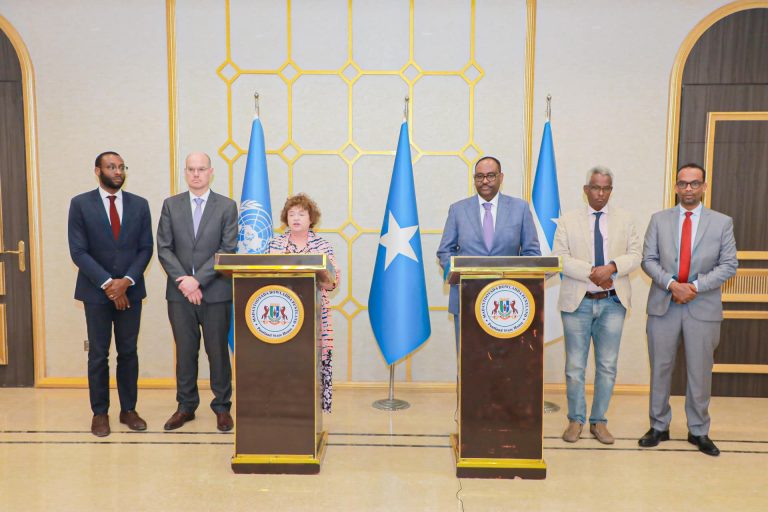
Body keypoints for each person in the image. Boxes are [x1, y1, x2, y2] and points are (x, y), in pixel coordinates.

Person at [639, 163, 737, 456]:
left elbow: (729, 264)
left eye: (695, 183)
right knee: (660, 369)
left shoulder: (722, 223)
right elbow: (648, 259)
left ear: (704, 186)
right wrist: (672, 284)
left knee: (699, 371)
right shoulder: (659, 220)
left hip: (702, 305)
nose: (689, 189)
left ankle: (699, 430)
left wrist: (694, 286)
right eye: (683, 183)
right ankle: (658, 426)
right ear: (676, 187)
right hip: (664, 305)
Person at [552, 166, 641, 444]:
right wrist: (595, 272)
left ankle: (599, 421)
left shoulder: (626, 220)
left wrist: (612, 268)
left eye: (606, 188)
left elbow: (636, 255)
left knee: (607, 366)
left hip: (612, 303)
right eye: (595, 188)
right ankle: (575, 420)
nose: (600, 193)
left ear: (611, 191)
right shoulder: (567, 221)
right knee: (575, 367)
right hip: (577, 303)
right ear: (586, 190)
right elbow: (560, 258)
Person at [68, 151, 153, 437]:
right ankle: (100, 413)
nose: (117, 171)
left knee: (128, 352)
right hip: (96, 294)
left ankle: (128, 409)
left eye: (121, 167)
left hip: (131, 290)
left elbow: (145, 249)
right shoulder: (80, 204)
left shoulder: (140, 205)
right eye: (111, 167)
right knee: (99, 355)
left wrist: (125, 281)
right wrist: (109, 284)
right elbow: (78, 251)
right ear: (97, 171)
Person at [157, 152, 238, 432]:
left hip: (215, 292)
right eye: (191, 169)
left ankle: (222, 407)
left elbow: (227, 250)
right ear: (185, 172)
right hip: (179, 295)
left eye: (201, 169)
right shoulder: (171, 205)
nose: (195, 174)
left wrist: (198, 281)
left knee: (217, 352)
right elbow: (164, 248)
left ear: (211, 172)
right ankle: (186, 406)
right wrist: (184, 281)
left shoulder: (227, 206)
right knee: (186, 351)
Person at [436, 156, 541, 350]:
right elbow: (445, 251)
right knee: (469, 363)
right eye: (479, 176)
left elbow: (531, 252)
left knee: (507, 364)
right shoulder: (457, 210)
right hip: (468, 299)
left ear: (501, 177)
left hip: (509, 303)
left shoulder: (520, 208)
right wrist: (457, 273)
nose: (484, 181)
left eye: (490, 176)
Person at [269, 193, 340, 412]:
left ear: (311, 219)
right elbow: (265, 278)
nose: (296, 218)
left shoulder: (323, 246)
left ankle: (309, 410)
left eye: (301, 214)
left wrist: (326, 277)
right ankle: (283, 406)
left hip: (314, 313)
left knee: (310, 361)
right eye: (291, 214)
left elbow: (333, 283)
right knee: (284, 361)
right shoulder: (274, 244)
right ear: (285, 218)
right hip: (281, 315)